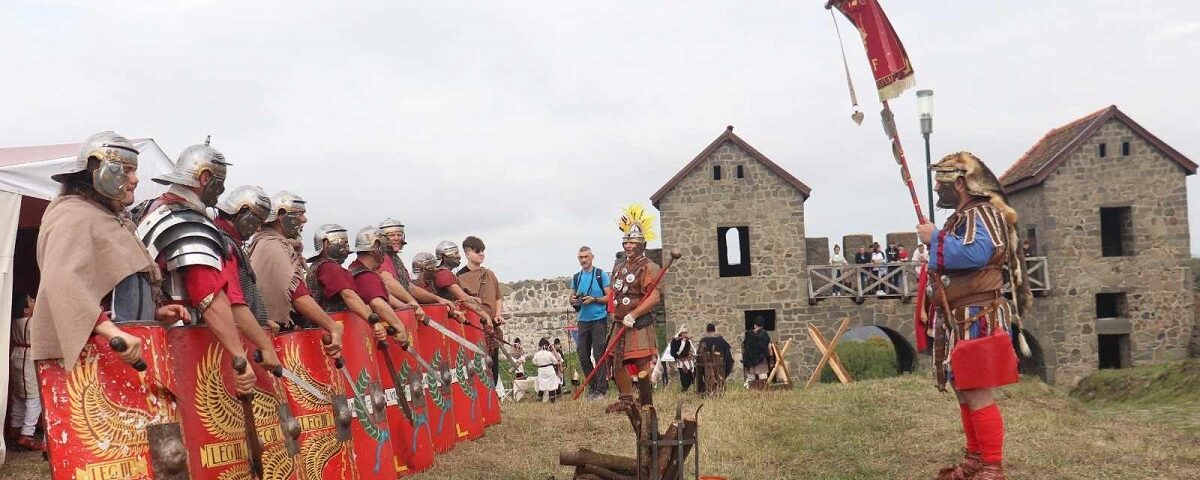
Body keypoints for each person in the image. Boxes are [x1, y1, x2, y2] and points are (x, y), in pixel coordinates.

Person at [31, 132, 190, 469]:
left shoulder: (109, 219)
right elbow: (63, 282)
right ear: (98, 169)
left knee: (142, 460)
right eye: (127, 170)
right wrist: (112, 331)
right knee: (107, 462)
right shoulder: (72, 215)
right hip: (98, 362)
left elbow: (110, 288)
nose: (135, 179)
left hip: (126, 360)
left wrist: (154, 312)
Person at [918, 151, 1031, 480]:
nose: (936, 189)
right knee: (964, 389)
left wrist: (935, 238)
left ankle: (992, 466)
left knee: (977, 390)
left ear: (959, 182)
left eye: (941, 182)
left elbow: (978, 252)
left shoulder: (982, 212)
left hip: (977, 314)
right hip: (959, 316)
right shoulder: (964, 215)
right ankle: (975, 459)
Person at [136, 138, 276, 392]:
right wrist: (240, 356)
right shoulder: (187, 222)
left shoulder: (151, 209)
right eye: (219, 182)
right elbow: (209, 297)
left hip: (156, 342)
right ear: (204, 177)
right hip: (184, 346)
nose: (221, 191)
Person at [247, 191, 343, 356]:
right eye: (300, 214)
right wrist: (332, 326)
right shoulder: (273, 246)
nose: (304, 220)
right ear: (281, 215)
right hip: (274, 339)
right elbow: (298, 296)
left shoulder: (269, 242)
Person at [605, 205, 662, 413]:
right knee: (616, 361)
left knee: (640, 360)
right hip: (619, 323)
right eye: (626, 242)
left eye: (632, 242)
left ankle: (646, 401)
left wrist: (634, 314)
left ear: (642, 245)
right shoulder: (619, 268)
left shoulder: (649, 267)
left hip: (638, 323)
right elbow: (615, 294)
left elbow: (654, 296)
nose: (628, 246)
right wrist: (615, 313)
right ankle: (627, 400)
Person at [347, 227, 410, 344]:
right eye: (383, 248)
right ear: (376, 247)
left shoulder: (353, 269)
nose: (384, 253)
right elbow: (377, 303)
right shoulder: (365, 276)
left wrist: (406, 307)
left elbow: (385, 296)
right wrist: (399, 327)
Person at [456, 235, 505, 385]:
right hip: (474, 328)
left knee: (493, 368)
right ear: (467, 253)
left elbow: (498, 297)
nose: (481, 254)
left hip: (491, 328)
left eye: (483, 251)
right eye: (477, 251)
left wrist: (498, 315)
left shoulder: (489, 274)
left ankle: (494, 396)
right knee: (477, 368)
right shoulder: (459, 277)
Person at [570, 246, 612, 400]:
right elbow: (570, 297)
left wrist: (594, 299)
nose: (584, 260)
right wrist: (575, 300)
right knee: (582, 355)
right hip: (583, 320)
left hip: (599, 319)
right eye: (581, 257)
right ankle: (593, 386)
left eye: (586, 257)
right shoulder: (576, 277)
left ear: (592, 257)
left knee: (598, 354)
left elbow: (609, 297)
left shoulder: (601, 275)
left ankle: (601, 389)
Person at [7, 292, 40, 451]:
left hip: (17, 355)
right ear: (26, 310)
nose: (34, 301)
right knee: (34, 397)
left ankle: (15, 427)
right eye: (31, 300)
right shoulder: (33, 321)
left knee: (19, 395)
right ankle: (27, 434)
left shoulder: (14, 320)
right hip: (28, 357)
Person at [695, 323, 733, 395]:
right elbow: (728, 356)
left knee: (699, 368)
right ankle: (718, 388)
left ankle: (702, 390)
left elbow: (699, 355)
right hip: (719, 367)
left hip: (706, 367)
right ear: (715, 330)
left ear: (707, 331)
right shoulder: (721, 341)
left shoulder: (703, 340)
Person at [742, 317, 772, 390]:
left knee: (750, 377)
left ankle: (748, 390)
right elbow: (769, 347)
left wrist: (745, 358)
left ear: (755, 325)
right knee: (763, 376)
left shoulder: (748, 334)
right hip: (761, 359)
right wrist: (771, 358)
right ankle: (764, 390)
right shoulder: (764, 334)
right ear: (762, 326)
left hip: (750, 359)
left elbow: (744, 346)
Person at [532, 338, 561, 403]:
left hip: (541, 370)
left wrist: (540, 363)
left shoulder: (537, 354)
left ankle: (539, 397)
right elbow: (555, 362)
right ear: (546, 345)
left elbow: (534, 362)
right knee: (551, 385)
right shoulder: (549, 353)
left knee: (542, 384)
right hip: (549, 369)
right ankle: (552, 399)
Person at [669, 325, 695, 392]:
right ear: (681, 333)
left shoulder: (688, 340)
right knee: (683, 376)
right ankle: (684, 389)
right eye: (684, 333)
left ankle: (689, 388)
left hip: (688, 361)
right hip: (681, 362)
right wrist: (678, 355)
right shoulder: (676, 341)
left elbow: (693, 348)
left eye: (686, 332)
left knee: (690, 375)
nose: (686, 334)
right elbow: (676, 351)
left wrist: (693, 354)